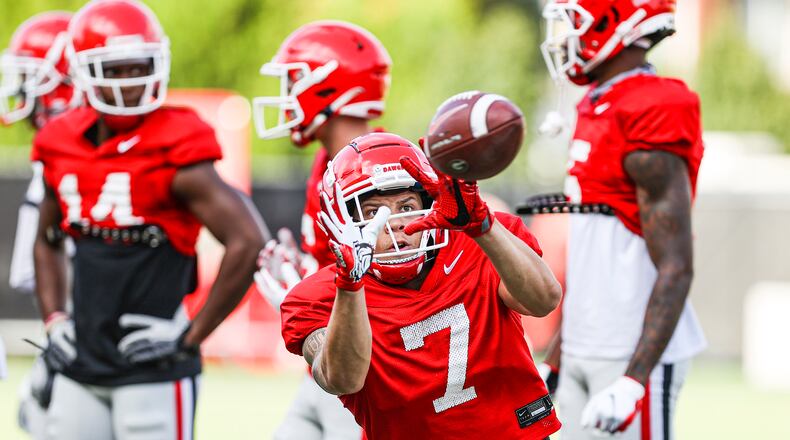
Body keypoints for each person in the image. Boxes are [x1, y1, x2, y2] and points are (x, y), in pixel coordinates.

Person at [31, 1, 264, 438]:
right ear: (82, 71)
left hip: (153, 367)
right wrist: (54, 318)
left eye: (138, 66)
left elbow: (248, 241)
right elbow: (46, 238)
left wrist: (190, 335)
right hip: (82, 360)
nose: (129, 82)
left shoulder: (178, 143)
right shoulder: (59, 143)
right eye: (114, 69)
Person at [281, 132, 563, 439]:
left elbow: (544, 301)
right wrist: (350, 286)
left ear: (430, 202)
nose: (395, 224)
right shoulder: (318, 296)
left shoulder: (481, 242)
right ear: (342, 219)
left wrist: (483, 226)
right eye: (374, 211)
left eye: (406, 206)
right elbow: (341, 379)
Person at [529, 0, 707, 438]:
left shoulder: (652, 106)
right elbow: (595, 258)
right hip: (583, 345)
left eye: (576, 23)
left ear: (617, 23)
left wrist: (634, 380)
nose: (567, 37)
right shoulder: (598, 104)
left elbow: (677, 264)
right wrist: (556, 354)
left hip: (630, 348)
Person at [252, 20, 392, 440]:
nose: (286, 95)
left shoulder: (380, 169)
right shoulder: (326, 164)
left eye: (295, 81)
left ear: (331, 88)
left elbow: (394, 278)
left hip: (370, 366)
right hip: (325, 358)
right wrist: (305, 284)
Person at [0, 11, 79, 439]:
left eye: (30, 74)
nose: (19, 88)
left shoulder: (81, 158)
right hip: (68, 335)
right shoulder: (51, 155)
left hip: (99, 343)